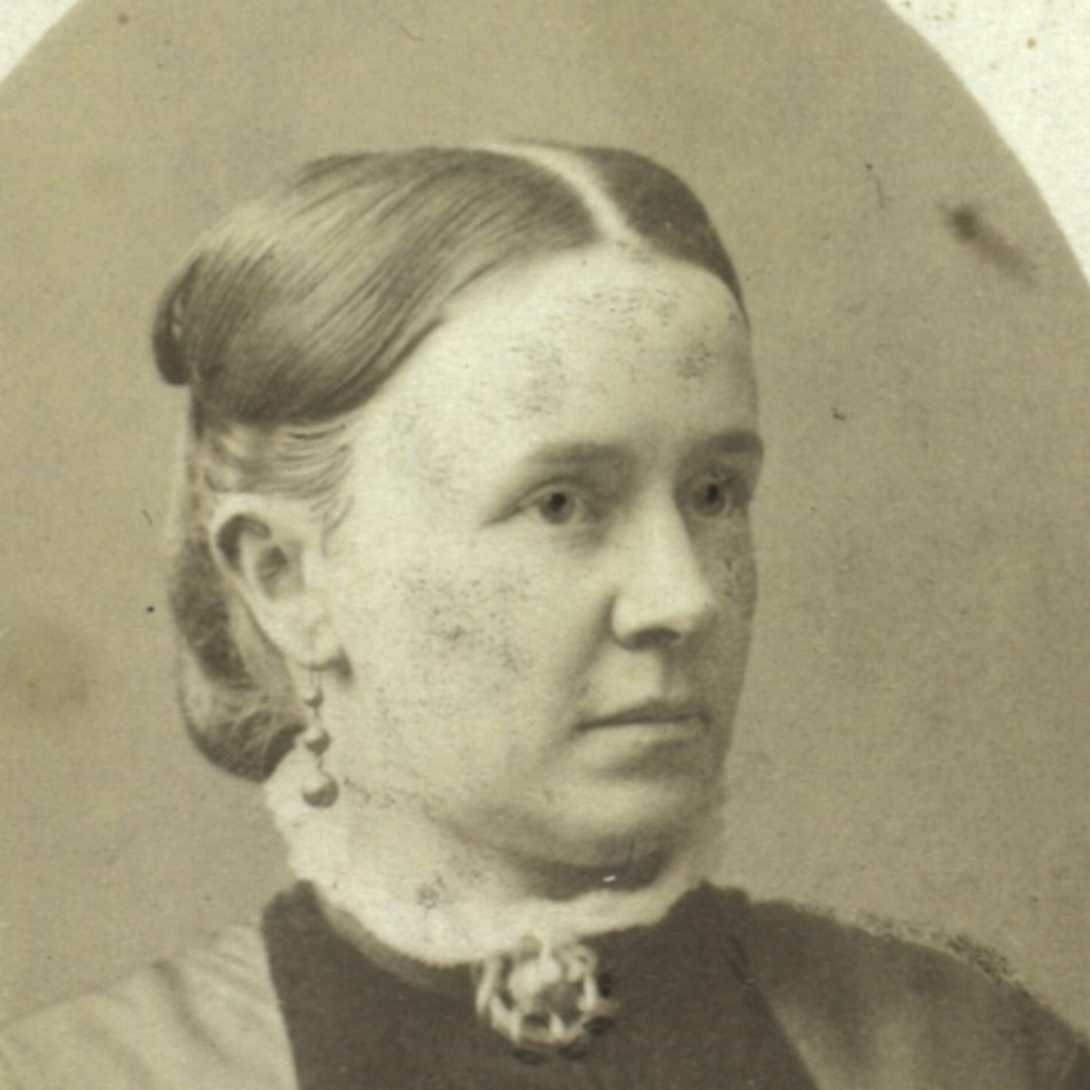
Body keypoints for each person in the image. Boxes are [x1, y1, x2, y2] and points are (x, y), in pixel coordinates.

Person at [0, 143, 1086, 1089]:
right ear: (287, 579)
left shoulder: (962, 1056)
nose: (682, 596)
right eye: (561, 503)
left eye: (714, 493)